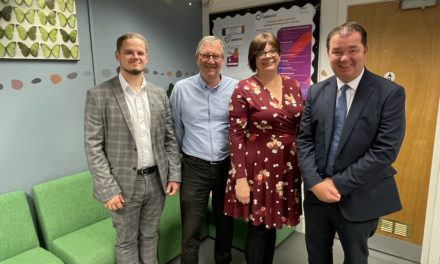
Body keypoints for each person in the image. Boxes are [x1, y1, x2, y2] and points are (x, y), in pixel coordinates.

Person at [297, 21, 406, 264]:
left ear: (365, 49)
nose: (344, 57)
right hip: (316, 198)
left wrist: (335, 184)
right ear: (328, 53)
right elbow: (304, 140)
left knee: (356, 259)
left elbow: (384, 151)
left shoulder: (389, 93)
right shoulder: (316, 92)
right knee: (316, 256)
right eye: (337, 51)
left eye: (352, 49)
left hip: (360, 195)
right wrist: (315, 183)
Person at [84, 32, 181, 264]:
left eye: (140, 53)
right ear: (118, 56)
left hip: (157, 181)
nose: (135, 57)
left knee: (149, 236)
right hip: (123, 185)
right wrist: (107, 188)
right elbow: (93, 146)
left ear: (146, 57)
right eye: (129, 52)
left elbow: (169, 139)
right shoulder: (99, 95)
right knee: (126, 242)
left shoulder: (158, 94)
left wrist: (174, 174)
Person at [224, 32, 303, 264]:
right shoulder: (244, 88)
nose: (267, 56)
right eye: (261, 52)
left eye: (272, 50)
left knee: (272, 225)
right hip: (257, 167)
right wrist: (240, 178)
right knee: (259, 226)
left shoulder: (293, 84)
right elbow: (236, 135)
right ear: (253, 57)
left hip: (287, 166)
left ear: (279, 53)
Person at [169, 36, 237, 264]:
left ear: (222, 59)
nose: (211, 60)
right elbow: (175, 129)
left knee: (225, 222)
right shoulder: (180, 89)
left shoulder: (235, 88)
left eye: (216, 56)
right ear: (197, 58)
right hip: (193, 167)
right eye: (206, 55)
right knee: (190, 228)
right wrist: (178, 166)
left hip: (227, 165)